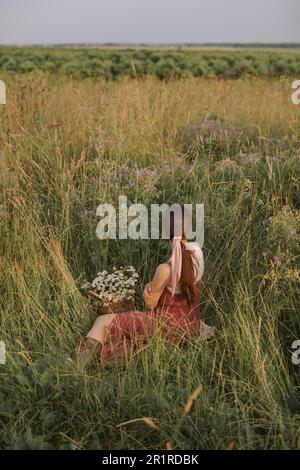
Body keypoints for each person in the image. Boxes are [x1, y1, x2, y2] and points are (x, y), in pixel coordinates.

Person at [77, 206, 216, 368]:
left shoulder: (164, 269)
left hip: (167, 328)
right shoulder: (197, 252)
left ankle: (78, 367)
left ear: (164, 233)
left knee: (102, 321)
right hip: (190, 324)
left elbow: (150, 304)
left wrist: (146, 290)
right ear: (191, 228)